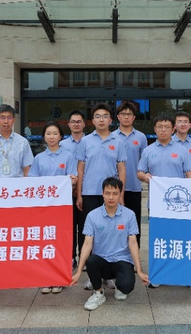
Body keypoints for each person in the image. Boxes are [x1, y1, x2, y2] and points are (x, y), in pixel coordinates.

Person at [71, 177, 149, 311]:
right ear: (102, 193)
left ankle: (119, 285)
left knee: (126, 287)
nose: (111, 197)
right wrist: (78, 272)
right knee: (91, 260)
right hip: (102, 261)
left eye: (115, 193)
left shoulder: (129, 215)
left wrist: (140, 270)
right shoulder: (92, 216)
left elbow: (133, 243)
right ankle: (98, 292)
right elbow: (87, 244)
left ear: (120, 194)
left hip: (122, 260)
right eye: (107, 193)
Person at [138, 113, 191, 290]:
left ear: (173, 129)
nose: (163, 130)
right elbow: (140, 172)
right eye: (160, 127)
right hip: (157, 204)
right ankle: (158, 274)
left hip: (180, 205)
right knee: (159, 240)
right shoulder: (148, 151)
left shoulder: (182, 150)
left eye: (167, 127)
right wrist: (145, 177)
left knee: (182, 239)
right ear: (154, 129)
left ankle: (188, 276)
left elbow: (190, 174)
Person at [76, 103, 126, 290]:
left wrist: (120, 195)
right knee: (90, 234)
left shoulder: (118, 141)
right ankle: (93, 275)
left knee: (110, 234)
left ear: (111, 120)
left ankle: (108, 274)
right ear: (93, 120)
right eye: (97, 116)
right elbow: (80, 169)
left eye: (105, 116)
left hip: (111, 195)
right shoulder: (85, 141)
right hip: (89, 193)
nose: (101, 119)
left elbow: (122, 169)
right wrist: (79, 194)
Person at [28, 121, 78, 294]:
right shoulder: (38, 158)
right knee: (45, 241)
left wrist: (72, 180)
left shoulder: (68, 156)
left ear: (61, 136)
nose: (51, 137)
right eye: (48, 133)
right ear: (44, 136)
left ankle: (59, 278)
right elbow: (32, 180)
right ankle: (46, 278)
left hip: (62, 206)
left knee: (61, 241)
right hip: (44, 207)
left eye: (55, 133)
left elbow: (73, 177)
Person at [112, 101, 147, 247]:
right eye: (123, 114)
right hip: (114, 188)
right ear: (118, 117)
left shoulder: (141, 137)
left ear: (134, 117)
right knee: (114, 222)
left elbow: (144, 161)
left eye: (129, 114)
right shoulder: (111, 136)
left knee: (134, 222)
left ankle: (134, 253)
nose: (126, 117)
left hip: (134, 186)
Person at [60, 109, 86, 267]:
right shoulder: (62, 144)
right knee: (68, 226)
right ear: (68, 124)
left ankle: (84, 257)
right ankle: (70, 257)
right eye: (73, 122)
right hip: (66, 192)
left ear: (84, 124)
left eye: (79, 121)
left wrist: (79, 187)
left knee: (84, 226)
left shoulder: (89, 141)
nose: (76, 124)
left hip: (85, 190)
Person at [173, 111, 191, 179]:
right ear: (174, 126)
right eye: (179, 122)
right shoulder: (169, 143)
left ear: (190, 125)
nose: (183, 124)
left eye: (185, 122)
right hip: (174, 183)